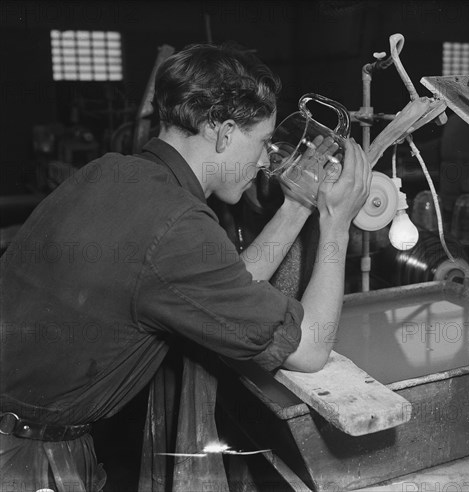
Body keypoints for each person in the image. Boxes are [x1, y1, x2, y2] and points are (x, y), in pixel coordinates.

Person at [0, 44, 371, 490]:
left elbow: (222, 286)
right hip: (23, 461)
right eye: (261, 143)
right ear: (224, 131)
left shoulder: (111, 172)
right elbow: (310, 349)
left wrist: (298, 205)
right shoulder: (176, 226)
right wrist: (336, 225)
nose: (265, 162)